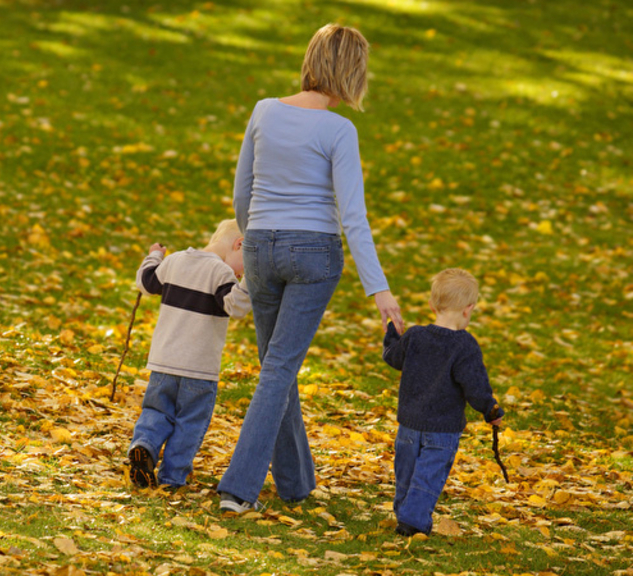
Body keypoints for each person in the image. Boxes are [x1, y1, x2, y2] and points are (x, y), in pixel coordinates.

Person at [218, 23, 404, 513]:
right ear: (351, 73)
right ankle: (238, 489)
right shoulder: (339, 130)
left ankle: (296, 482)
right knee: (279, 368)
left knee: (276, 367)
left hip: (260, 246)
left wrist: (253, 239)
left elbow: (242, 192)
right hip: (313, 255)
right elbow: (353, 217)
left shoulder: (263, 110)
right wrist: (379, 290)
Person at [127, 219, 252, 490]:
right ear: (239, 244)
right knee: (190, 423)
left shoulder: (175, 261)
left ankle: (144, 446)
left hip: (164, 363)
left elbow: (145, 283)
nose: (243, 271)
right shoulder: (222, 273)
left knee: (157, 411)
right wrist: (252, 279)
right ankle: (172, 478)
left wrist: (155, 256)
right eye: (250, 259)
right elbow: (237, 307)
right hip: (199, 369)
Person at [382, 268, 505, 536]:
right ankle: (412, 521)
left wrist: (392, 334)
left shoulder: (414, 336)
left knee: (406, 473)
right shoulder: (465, 345)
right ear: (468, 309)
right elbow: (475, 386)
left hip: (409, 425)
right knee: (428, 476)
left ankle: (404, 514)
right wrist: (490, 409)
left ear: (432, 305)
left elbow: (393, 357)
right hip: (443, 429)